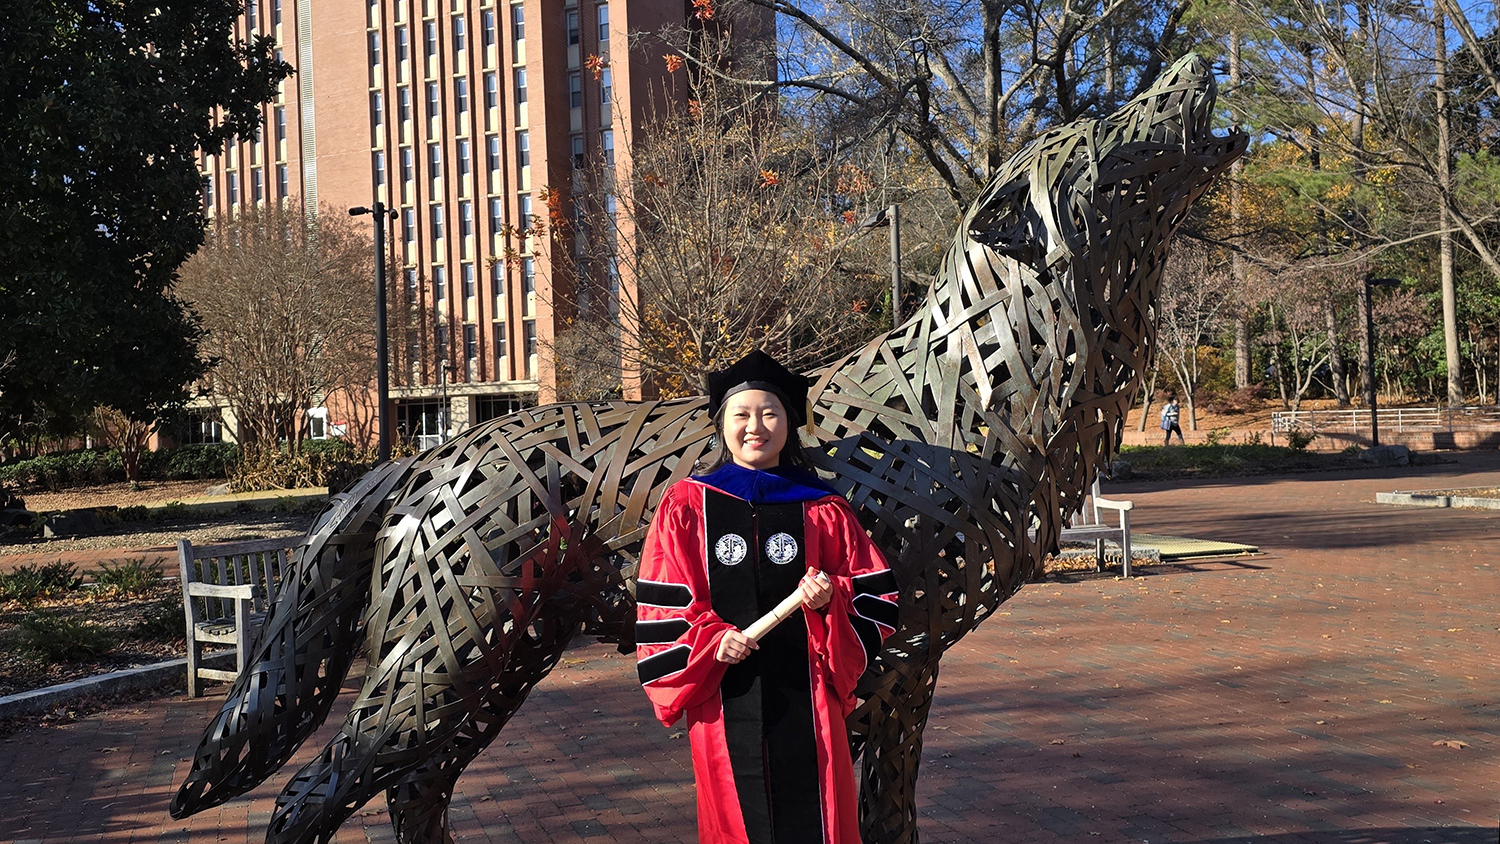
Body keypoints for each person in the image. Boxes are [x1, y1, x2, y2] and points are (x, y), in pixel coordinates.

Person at [635, 350, 900, 844]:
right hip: (723, 697)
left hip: (810, 698)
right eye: (741, 414)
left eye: (769, 412)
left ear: (789, 424)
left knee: (816, 813)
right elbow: (664, 604)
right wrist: (711, 641)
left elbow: (874, 596)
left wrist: (830, 601)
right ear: (722, 425)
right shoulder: (689, 504)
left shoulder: (824, 508)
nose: (755, 426)